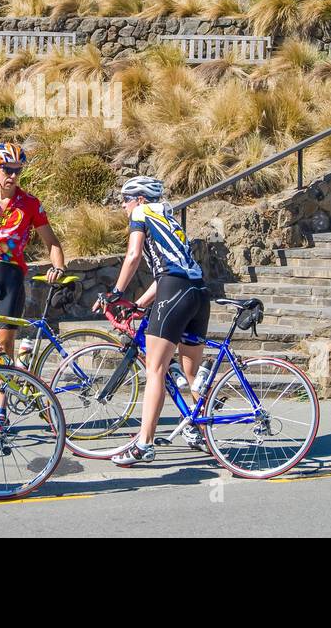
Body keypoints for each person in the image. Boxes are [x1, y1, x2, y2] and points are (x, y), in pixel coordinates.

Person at [105, 176, 209, 466]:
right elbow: (170, 273)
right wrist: (138, 304)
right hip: (198, 293)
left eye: (125, 200)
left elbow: (133, 255)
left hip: (174, 292)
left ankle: (144, 444)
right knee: (191, 373)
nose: (124, 206)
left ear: (139, 199)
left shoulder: (141, 213)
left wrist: (116, 293)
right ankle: (202, 431)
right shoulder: (171, 220)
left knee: (156, 370)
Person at [0, 144, 67, 406]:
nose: (13, 176)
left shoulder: (29, 203)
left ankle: (1, 409)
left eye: (18, 171)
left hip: (11, 276)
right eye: (8, 170)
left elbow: (52, 242)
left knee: (4, 346)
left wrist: (59, 266)